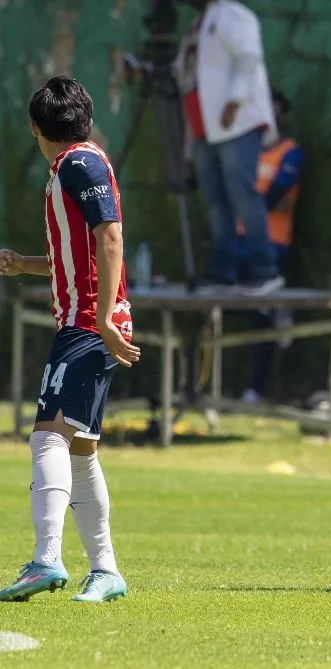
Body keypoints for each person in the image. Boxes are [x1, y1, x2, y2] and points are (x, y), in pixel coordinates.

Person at [0, 76, 141, 603]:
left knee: (47, 438)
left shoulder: (78, 165)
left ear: (34, 127)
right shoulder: (79, 163)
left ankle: (46, 559)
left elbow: (111, 237)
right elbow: (78, 254)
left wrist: (103, 318)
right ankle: (106, 571)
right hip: (88, 320)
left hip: (87, 324)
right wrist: (25, 265)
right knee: (80, 451)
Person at [175, 0, 284, 295]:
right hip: (205, 129)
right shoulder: (196, 26)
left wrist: (234, 102)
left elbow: (248, 59)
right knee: (216, 202)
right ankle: (222, 273)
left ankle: (266, 270)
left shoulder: (233, 15)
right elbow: (189, 74)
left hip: (236, 123)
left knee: (242, 195)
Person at [237, 88, 304, 404]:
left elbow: (277, 196)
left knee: (261, 322)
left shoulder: (290, 152)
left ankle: (256, 388)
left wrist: (251, 206)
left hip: (272, 244)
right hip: (238, 243)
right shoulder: (243, 152)